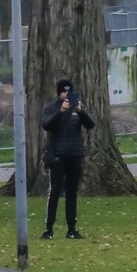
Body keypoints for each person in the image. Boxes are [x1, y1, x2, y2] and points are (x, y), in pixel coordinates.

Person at [40, 77, 94, 239]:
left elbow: (90, 124)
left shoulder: (78, 109)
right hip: (57, 155)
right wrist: (61, 111)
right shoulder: (52, 108)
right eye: (64, 91)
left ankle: (72, 228)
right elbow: (47, 124)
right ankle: (49, 228)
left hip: (74, 154)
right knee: (55, 191)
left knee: (72, 192)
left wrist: (80, 110)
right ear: (59, 93)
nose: (66, 94)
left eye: (69, 91)